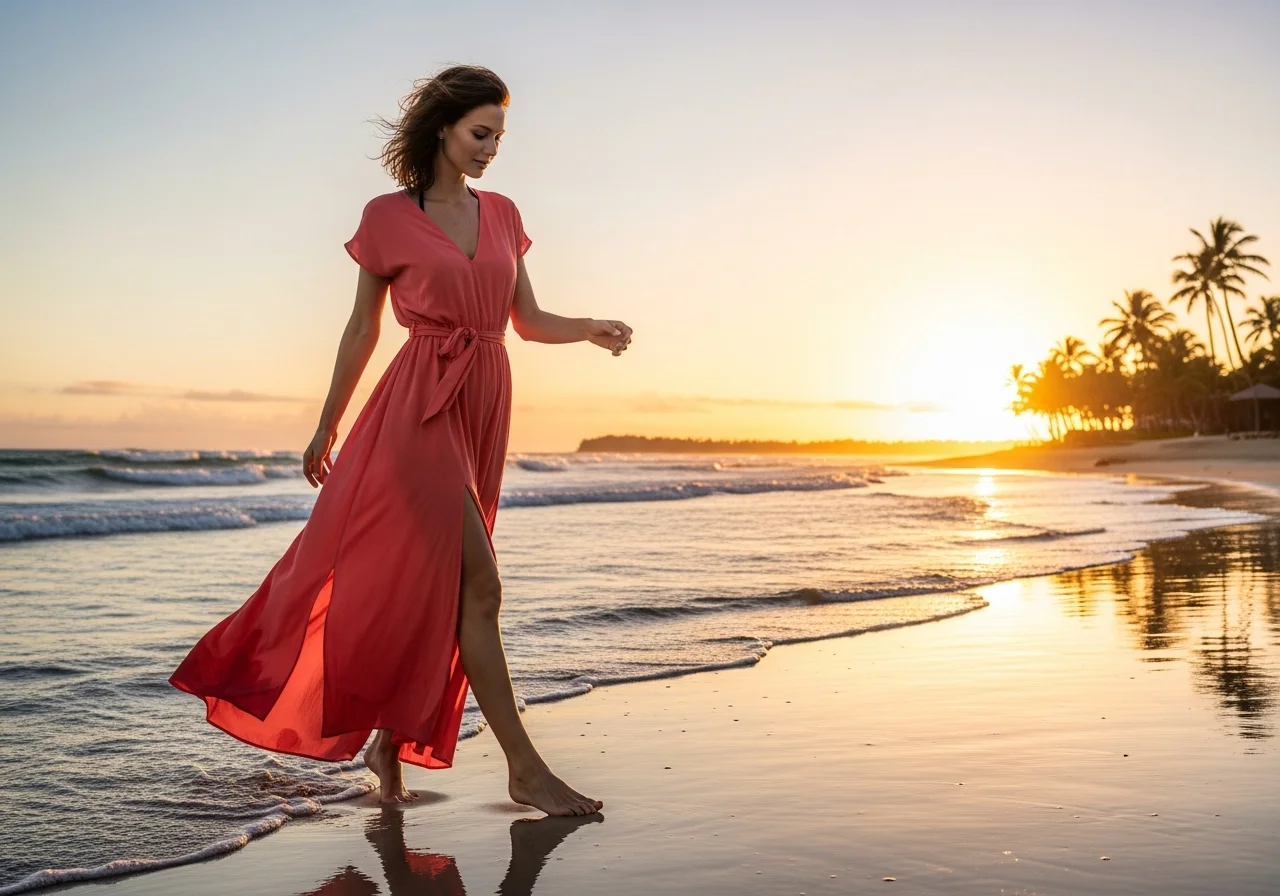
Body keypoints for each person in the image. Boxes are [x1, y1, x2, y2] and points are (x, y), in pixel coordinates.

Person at [170, 65, 630, 817]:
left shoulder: (506, 213)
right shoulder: (387, 216)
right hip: (417, 408)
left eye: (499, 138)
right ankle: (526, 769)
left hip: (483, 403)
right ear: (442, 129)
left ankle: (390, 742)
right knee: (481, 586)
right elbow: (363, 328)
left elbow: (524, 320)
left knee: (438, 592)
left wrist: (587, 329)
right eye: (481, 134)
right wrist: (327, 421)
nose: (490, 149)